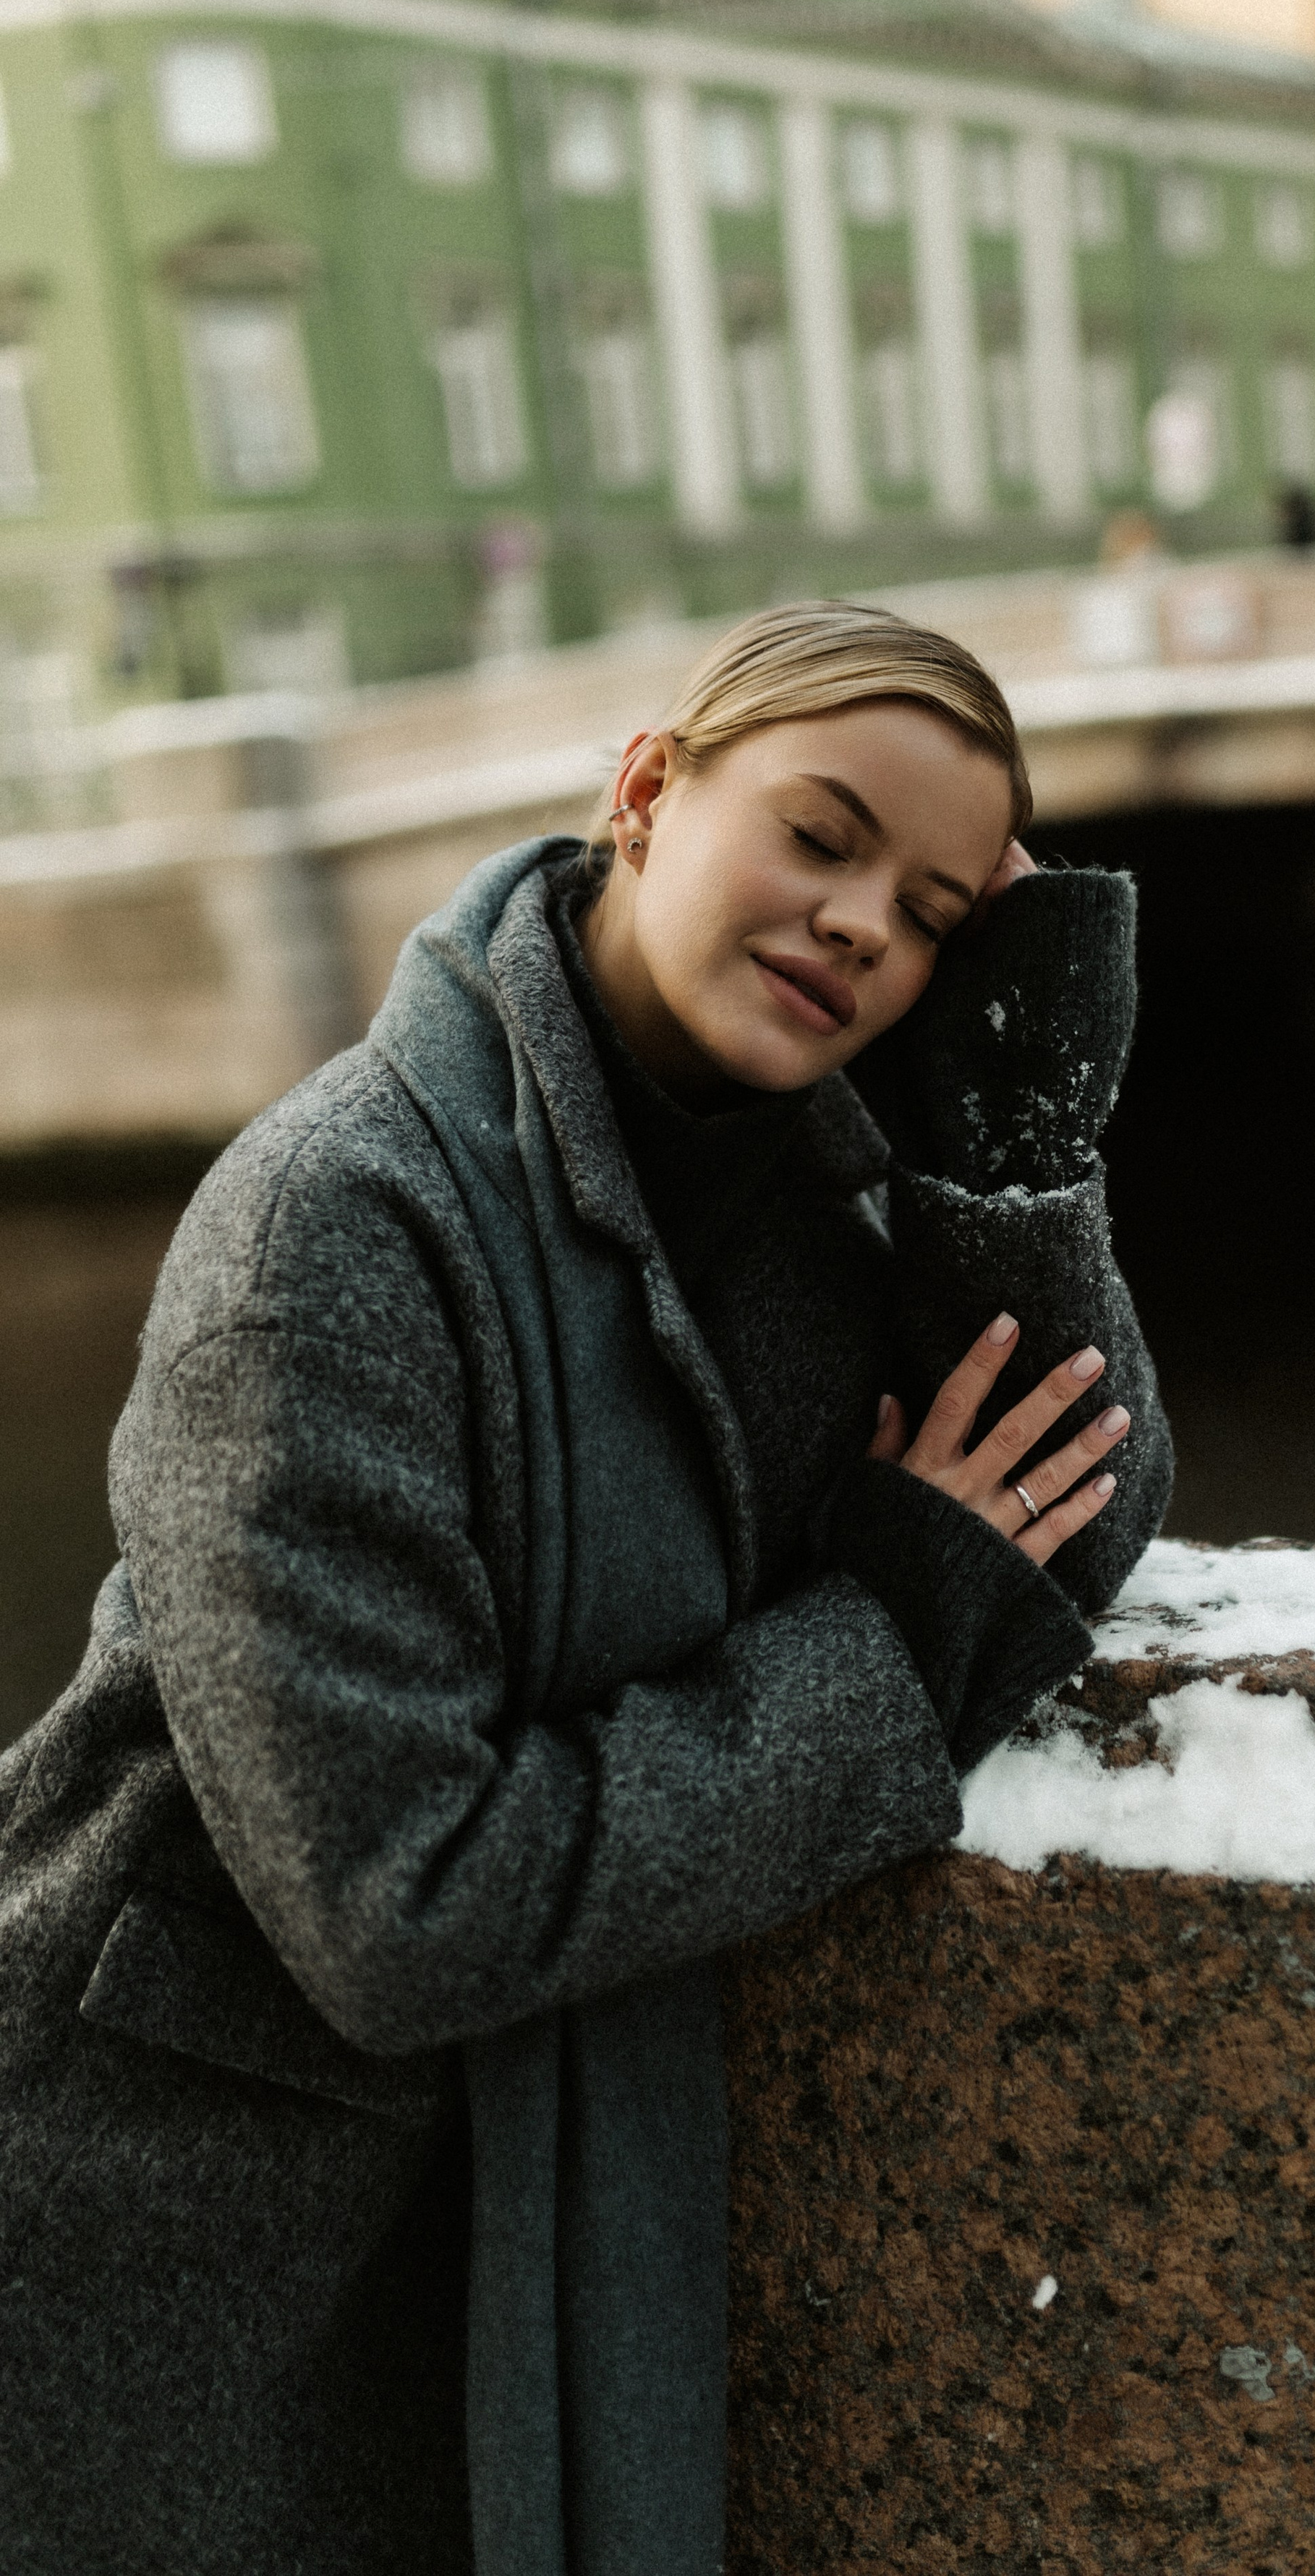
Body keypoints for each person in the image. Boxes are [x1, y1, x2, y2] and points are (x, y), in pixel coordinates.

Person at [0, 601, 1171, 2576]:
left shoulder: (830, 1170)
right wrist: (883, 1639)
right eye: (819, 835)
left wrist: (1015, 1110)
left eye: (939, 913)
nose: (867, 924)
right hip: (162, 2227)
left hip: (459, 2196)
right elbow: (402, 1906)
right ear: (645, 789)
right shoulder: (328, 1236)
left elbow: (1077, 1488)